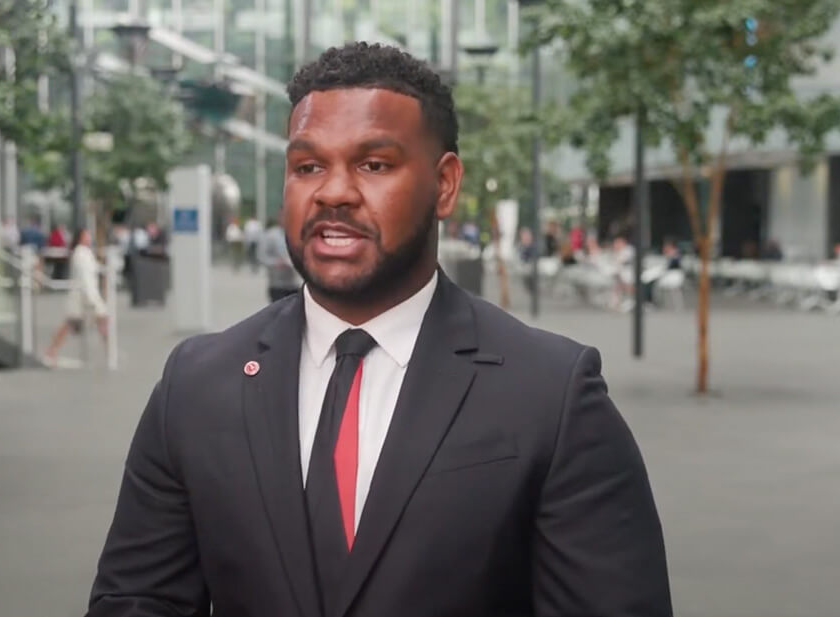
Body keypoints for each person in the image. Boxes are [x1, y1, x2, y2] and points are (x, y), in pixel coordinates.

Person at [86, 42, 671, 617]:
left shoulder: (552, 395)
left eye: (373, 164)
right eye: (308, 166)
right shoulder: (195, 385)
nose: (333, 191)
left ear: (444, 185)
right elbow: (139, 600)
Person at [43, 228, 107, 365]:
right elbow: (86, 277)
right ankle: (51, 351)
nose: (89, 237)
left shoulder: (86, 252)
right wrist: (93, 298)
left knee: (101, 320)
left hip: (86, 295)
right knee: (70, 324)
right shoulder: (81, 253)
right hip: (82, 296)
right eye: (86, 235)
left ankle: (109, 350)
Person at [260, 217, 301, 303]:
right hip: (277, 284)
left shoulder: (300, 234)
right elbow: (262, 256)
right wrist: (275, 263)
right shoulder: (271, 235)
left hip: (295, 284)